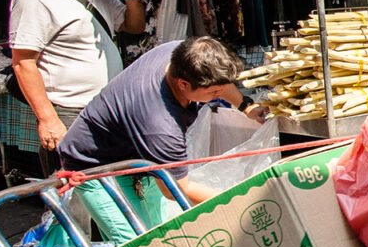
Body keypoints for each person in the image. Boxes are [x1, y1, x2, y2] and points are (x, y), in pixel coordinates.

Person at [8, 0, 147, 176]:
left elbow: (134, 26)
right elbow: (23, 62)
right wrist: (48, 120)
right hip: (70, 115)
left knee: (113, 193)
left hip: (108, 111)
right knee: (77, 200)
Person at [58, 37, 255, 214]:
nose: (218, 95)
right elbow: (176, 189)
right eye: (213, 92)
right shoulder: (160, 125)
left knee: (161, 230)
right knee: (138, 242)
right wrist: (241, 202)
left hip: (141, 158)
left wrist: (246, 106)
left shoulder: (183, 53)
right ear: (184, 84)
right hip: (96, 167)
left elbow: (219, 82)